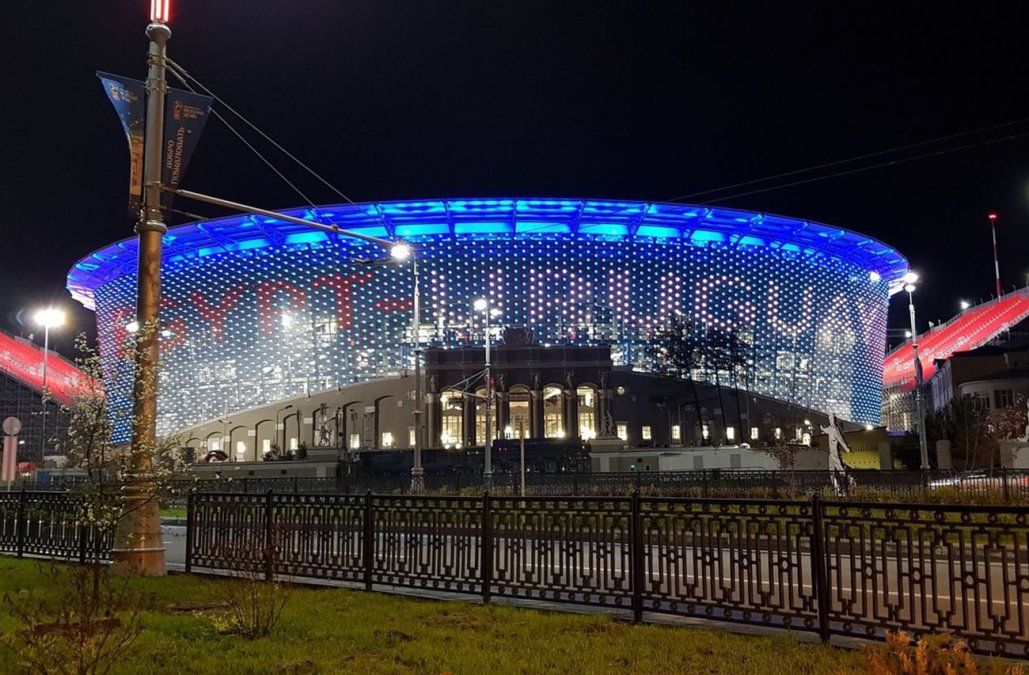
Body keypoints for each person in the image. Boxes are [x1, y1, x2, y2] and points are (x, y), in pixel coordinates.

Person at [820, 412, 853, 494]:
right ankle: (836, 489)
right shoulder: (830, 428)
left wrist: (846, 448)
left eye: (831, 419)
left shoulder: (835, 430)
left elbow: (840, 439)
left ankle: (849, 480)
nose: (830, 420)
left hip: (835, 453)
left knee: (840, 470)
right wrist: (821, 427)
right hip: (831, 454)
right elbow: (824, 429)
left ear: (834, 420)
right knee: (831, 472)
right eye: (830, 418)